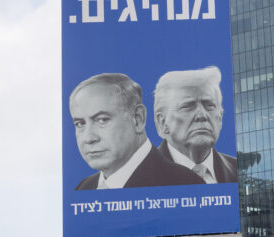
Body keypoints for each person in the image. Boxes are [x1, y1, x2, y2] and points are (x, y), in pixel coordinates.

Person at [69, 73, 204, 189]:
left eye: (102, 120)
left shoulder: (184, 184)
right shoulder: (84, 187)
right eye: (80, 123)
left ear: (138, 119)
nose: (88, 138)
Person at [154, 67, 237, 183]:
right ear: (162, 123)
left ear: (220, 117)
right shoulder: (141, 178)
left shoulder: (238, 171)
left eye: (210, 105)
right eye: (187, 106)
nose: (202, 115)